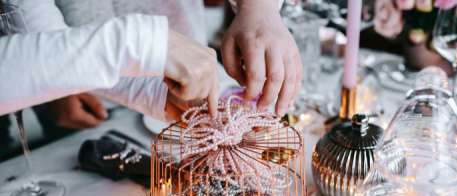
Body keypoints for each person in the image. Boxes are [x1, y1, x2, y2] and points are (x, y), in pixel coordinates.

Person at [14, 0, 302, 127]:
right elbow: (24, 9)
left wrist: (258, 6)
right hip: (69, 84)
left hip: (181, 73)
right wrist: (56, 76)